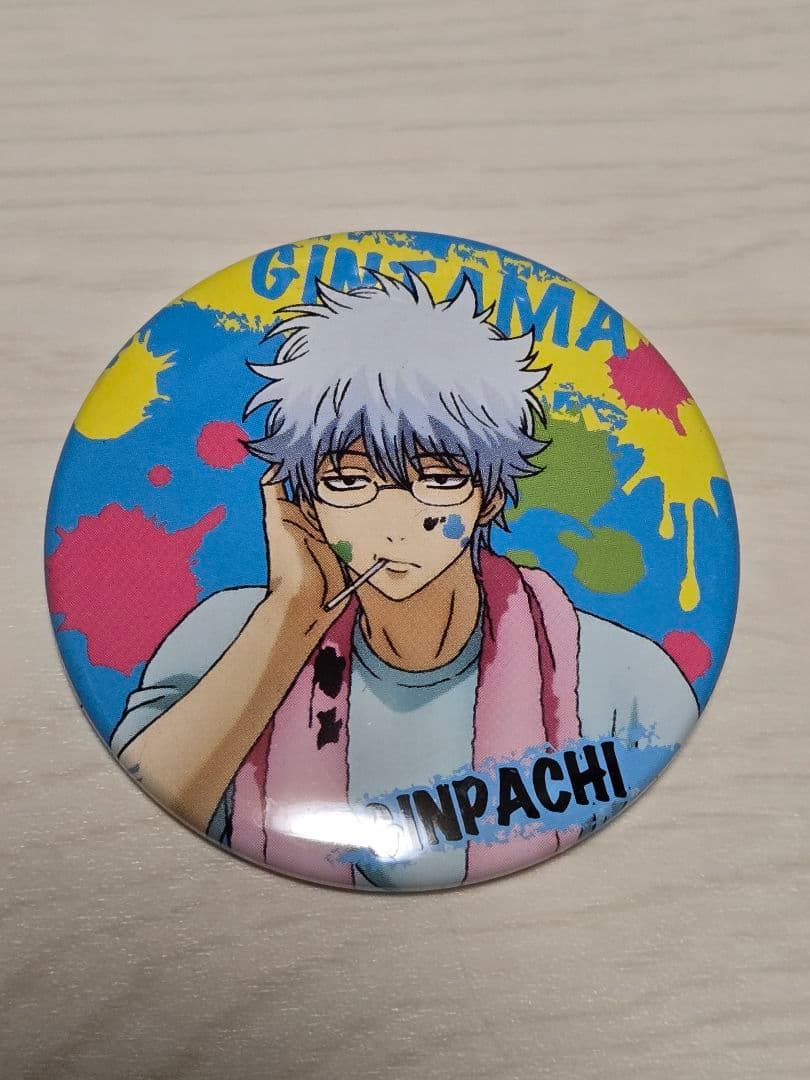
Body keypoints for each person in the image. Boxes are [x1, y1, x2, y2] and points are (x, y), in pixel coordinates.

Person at [111, 269, 698, 890]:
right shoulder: (228, 638)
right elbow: (138, 820)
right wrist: (290, 617)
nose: (393, 526)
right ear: (298, 497)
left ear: (491, 495)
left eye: (438, 479)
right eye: (348, 481)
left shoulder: (623, 682)